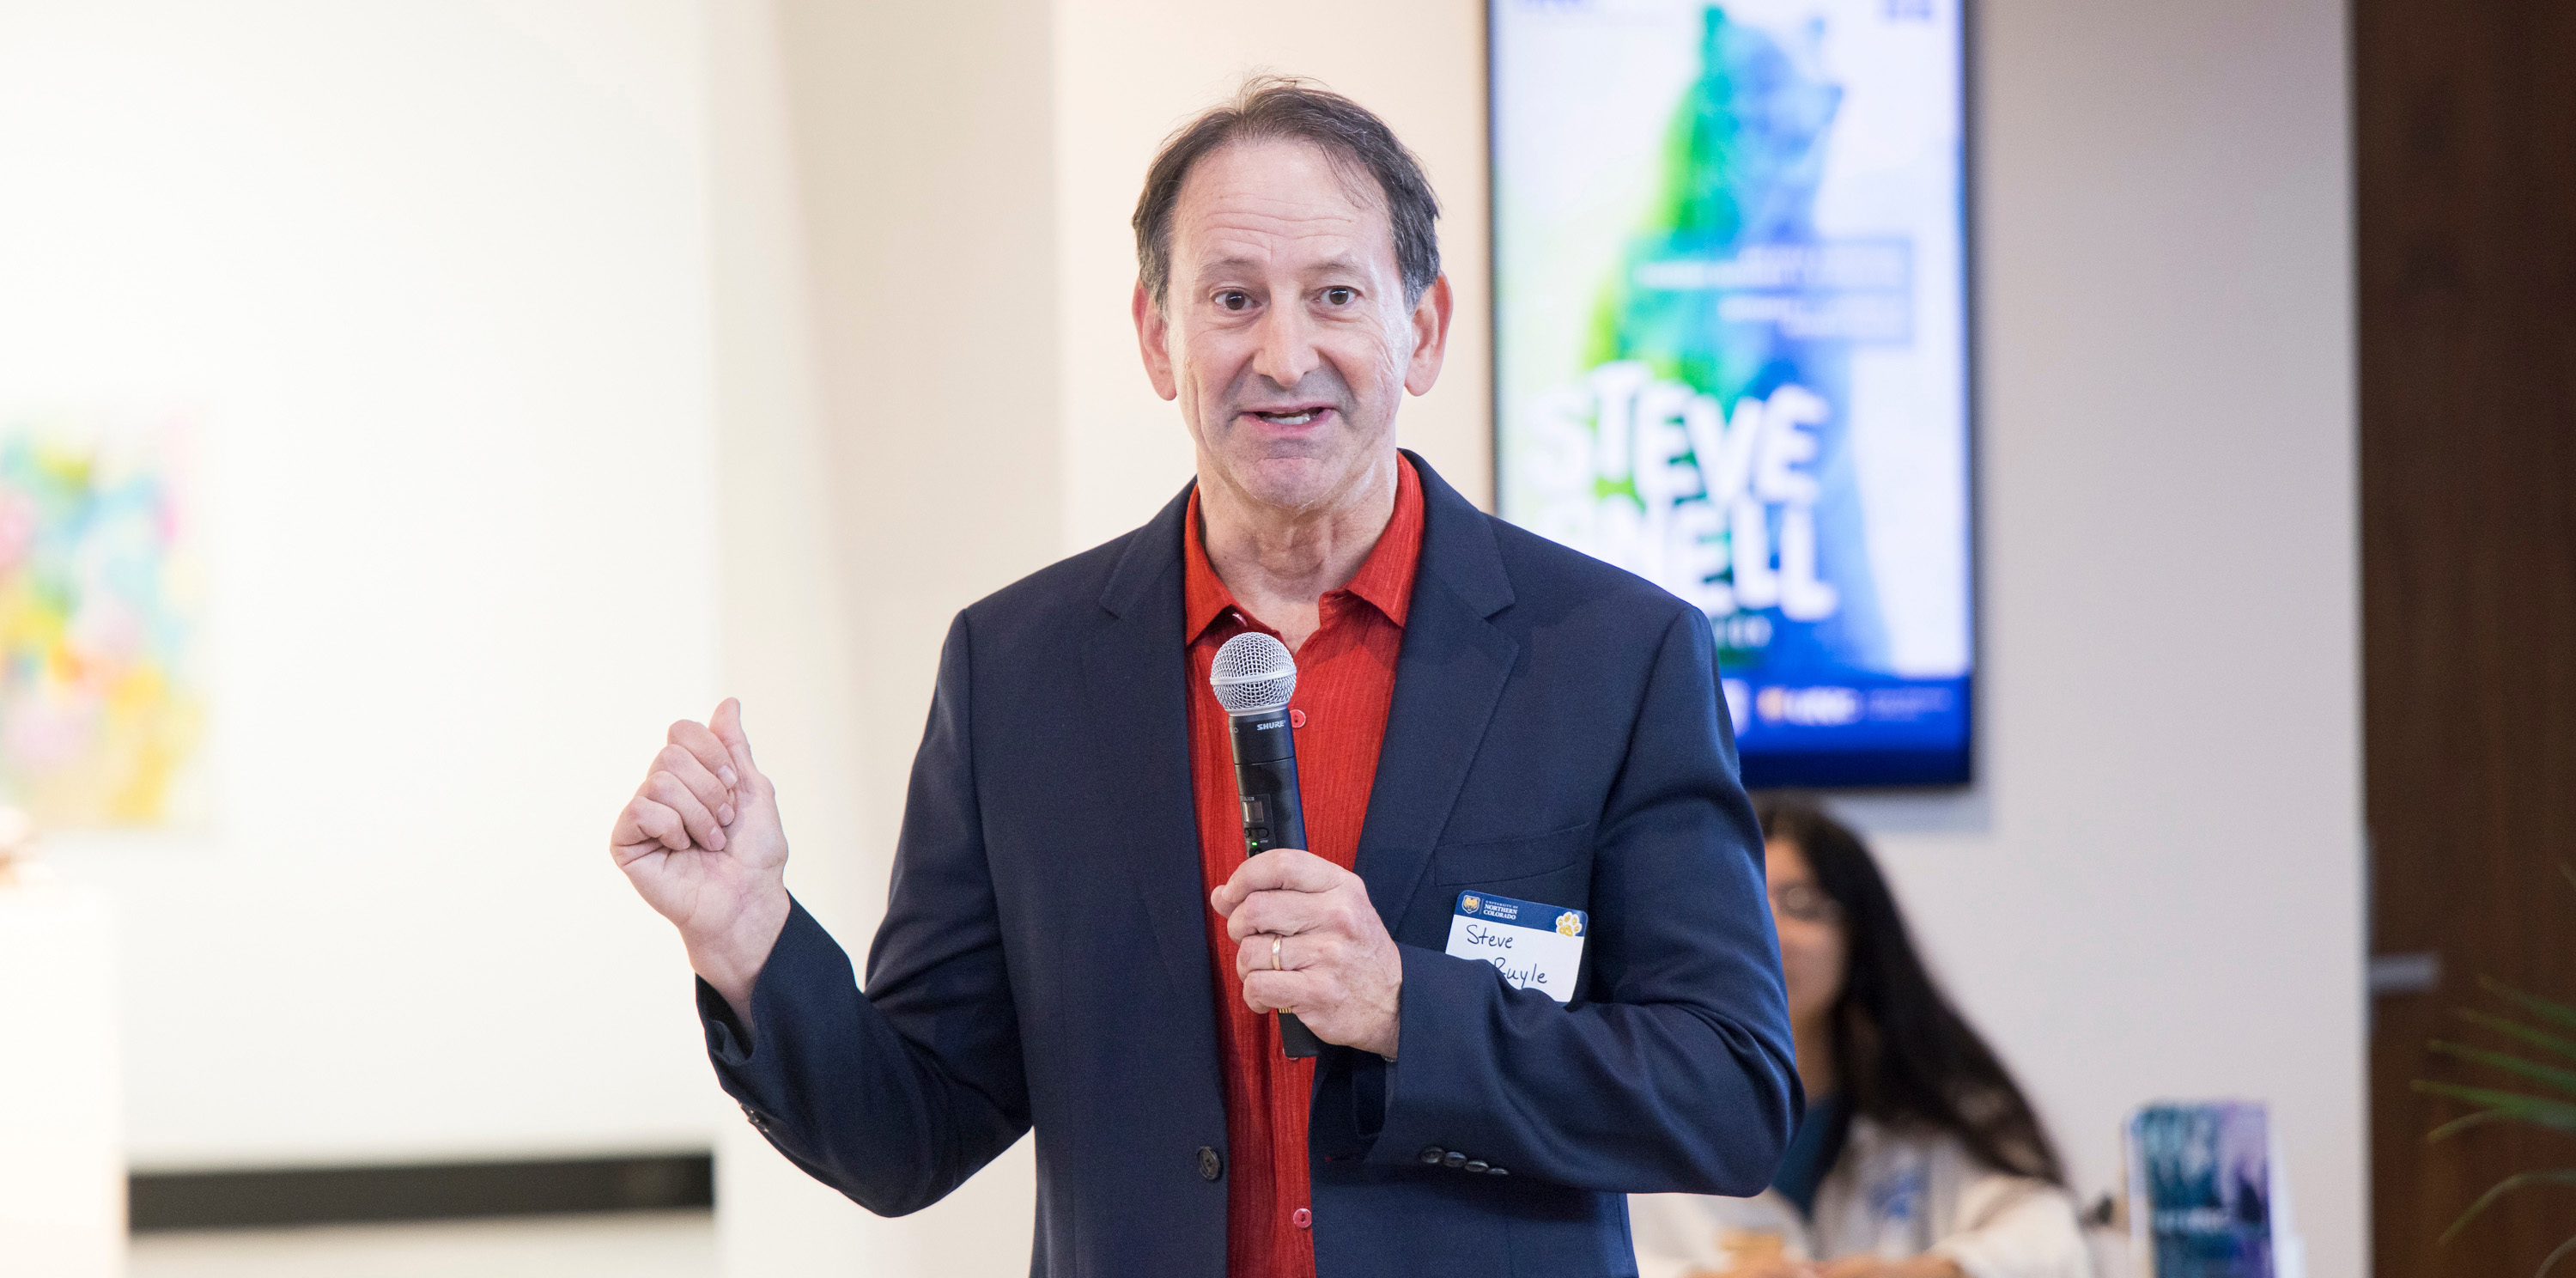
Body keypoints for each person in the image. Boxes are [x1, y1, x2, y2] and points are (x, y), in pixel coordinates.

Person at [608, 77, 1798, 1277]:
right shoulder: (1016, 668)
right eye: (1233, 299)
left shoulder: (1612, 654)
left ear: (1420, 331)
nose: (1284, 356)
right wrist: (753, 939)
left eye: (1335, 296)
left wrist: (1405, 1007)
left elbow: (1731, 1094)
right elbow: (911, 1135)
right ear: (1157, 336)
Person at [1629, 799, 2091, 1278]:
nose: (1767, 935)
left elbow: (2056, 1243)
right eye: (1739, 904)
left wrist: (1936, 1272)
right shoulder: (1641, 1111)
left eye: (1801, 905)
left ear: (1859, 935)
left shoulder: (1937, 1109)